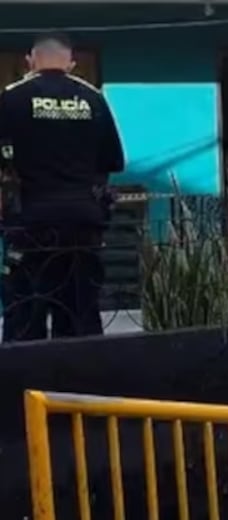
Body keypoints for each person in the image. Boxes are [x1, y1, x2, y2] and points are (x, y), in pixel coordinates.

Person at [0, 32, 125, 342]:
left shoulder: (12, 97)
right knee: (81, 310)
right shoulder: (93, 98)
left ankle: (22, 383)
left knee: (26, 309)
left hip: (30, 222)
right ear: (71, 63)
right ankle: (81, 383)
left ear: (30, 61)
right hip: (83, 222)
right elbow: (113, 160)